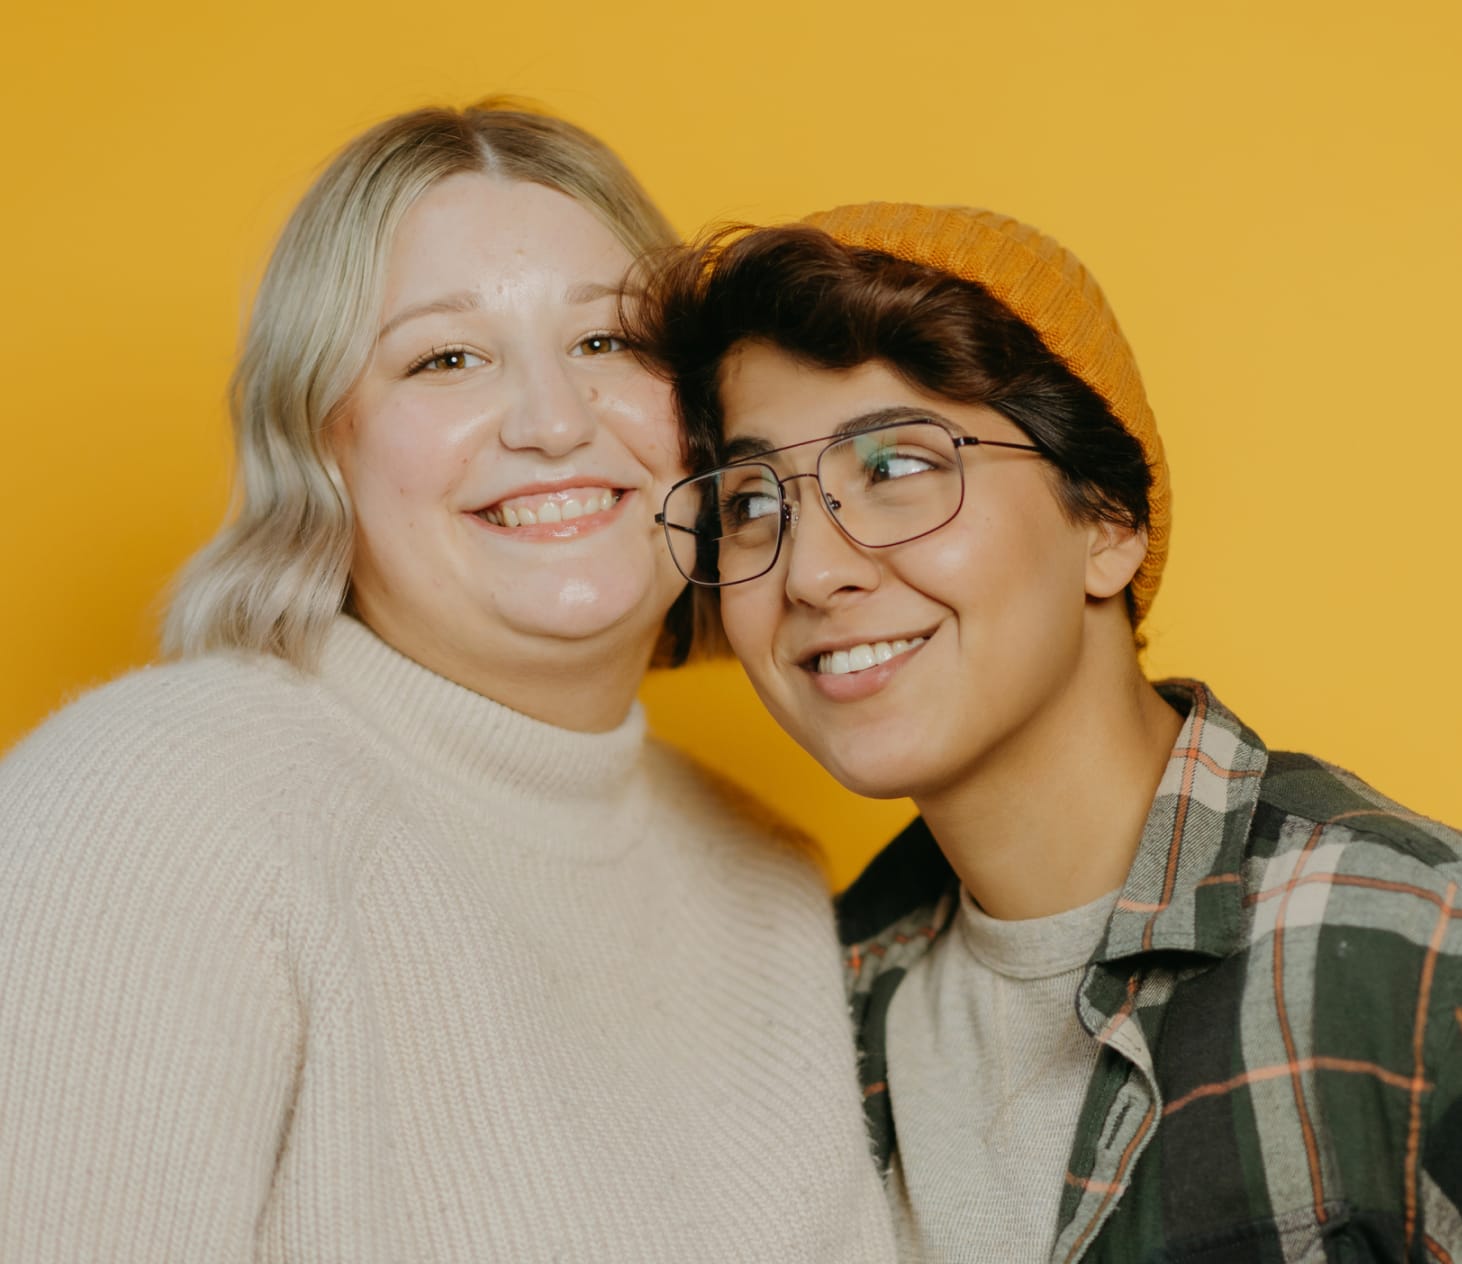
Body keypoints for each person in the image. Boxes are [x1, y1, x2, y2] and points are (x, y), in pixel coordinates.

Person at [0, 107, 896, 1262]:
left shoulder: (769, 880)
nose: (552, 422)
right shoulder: (150, 811)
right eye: (446, 358)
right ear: (321, 447)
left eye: (608, 343)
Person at [632, 203, 1462, 1262]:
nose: (808, 570)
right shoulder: (812, 1017)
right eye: (752, 501)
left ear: (1108, 522)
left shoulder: (1407, 951)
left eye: (891, 468)